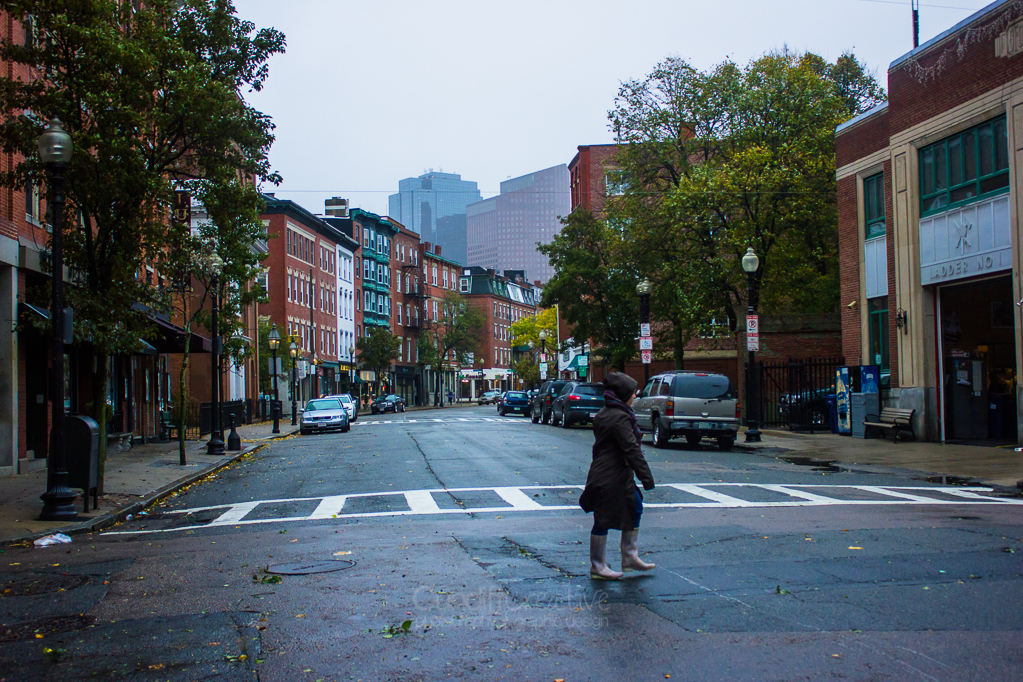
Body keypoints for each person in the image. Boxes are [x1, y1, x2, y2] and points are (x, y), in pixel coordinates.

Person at [579, 372, 656, 579]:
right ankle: (598, 565)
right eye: (633, 393)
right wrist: (647, 478)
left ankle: (629, 557)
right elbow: (631, 449)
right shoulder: (619, 417)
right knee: (602, 518)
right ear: (624, 395)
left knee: (635, 505)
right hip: (609, 475)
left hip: (613, 472)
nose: (634, 397)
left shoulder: (609, 413)